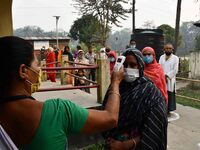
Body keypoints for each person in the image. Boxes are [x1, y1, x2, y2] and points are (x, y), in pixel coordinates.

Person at [0, 36, 124, 150]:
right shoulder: (57, 112)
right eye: (36, 64)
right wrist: (115, 82)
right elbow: (111, 118)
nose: (39, 70)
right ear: (23, 71)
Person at [102, 48, 168, 150]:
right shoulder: (116, 87)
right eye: (124, 65)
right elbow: (105, 114)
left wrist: (125, 145)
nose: (128, 68)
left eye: (133, 65)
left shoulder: (151, 93)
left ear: (140, 67)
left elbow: (154, 129)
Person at [159, 43, 179, 115]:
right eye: (167, 48)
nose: (168, 49)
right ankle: (162, 109)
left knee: (169, 95)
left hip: (170, 80)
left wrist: (167, 76)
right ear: (164, 49)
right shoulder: (161, 57)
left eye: (170, 48)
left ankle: (168, 111)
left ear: (172, 50)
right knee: (162, 94)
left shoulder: (176, 58)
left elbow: (175, 70)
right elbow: (159, 67)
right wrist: (161, 76)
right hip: (162, 79)